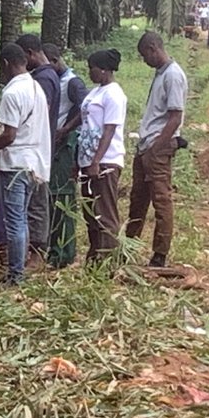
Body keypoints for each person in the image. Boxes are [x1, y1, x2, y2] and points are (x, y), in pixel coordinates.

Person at [0, 44, 52, 284]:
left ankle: (15, 274)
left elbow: (9, 135)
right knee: (22, 218)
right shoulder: (35, 87)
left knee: (15, 220)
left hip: (16, 164)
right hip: (34, 165)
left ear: (6, 63)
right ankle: (20, 268)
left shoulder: (12, 93)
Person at [126, 32, 187, 268]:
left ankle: (160, 254)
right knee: (137, 199)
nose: (144, 61)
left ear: (153, 48)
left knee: (161, 201)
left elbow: (175, 117)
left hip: (157, 148)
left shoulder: (173, 75)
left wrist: (155, 149)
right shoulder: (161, 74)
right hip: (147, 146)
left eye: (144, 55)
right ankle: (129, 246)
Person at [78, 49, 128, 263]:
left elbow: (109, 130)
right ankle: (95, 255)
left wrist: (97, 160)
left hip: (105, 162)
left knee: (105, 211)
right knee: (90, 212)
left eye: (92, 69)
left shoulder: (114, 95)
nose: (90, 72)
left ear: (104, 70)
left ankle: (109, 260)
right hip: (88, 161)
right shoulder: (96, 92)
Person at [16, 34, 60, 259]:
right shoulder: (48, 75)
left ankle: (35, 251)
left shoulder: (43, 80)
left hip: (36, 150)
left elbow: (36, 114)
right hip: (40, 148)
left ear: (29, 54)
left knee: (35, 203)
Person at [44, 43, 87, 267]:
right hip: (56, 146)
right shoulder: (57, 81)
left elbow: (85, 108)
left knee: (63, 198)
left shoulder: (72, 82)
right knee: (53, 199)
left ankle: (65, 253)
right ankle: (56, 249)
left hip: (66, 147)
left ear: (54, 60)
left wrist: (66, 129)